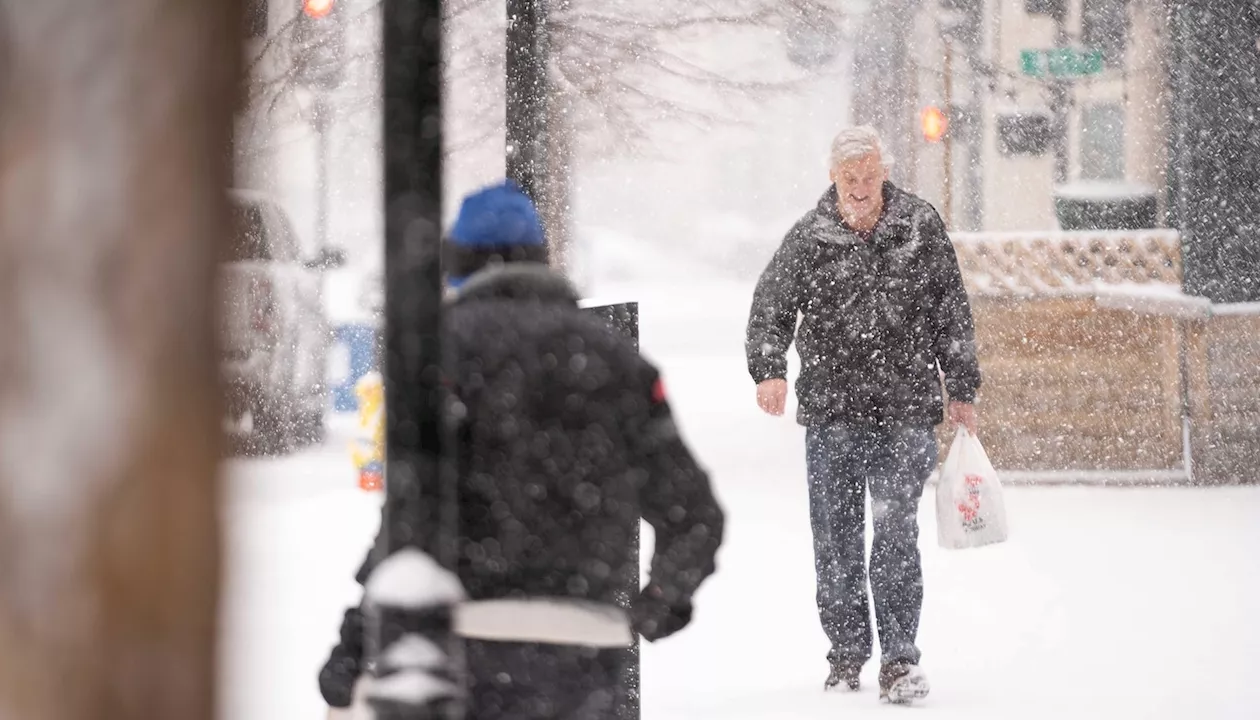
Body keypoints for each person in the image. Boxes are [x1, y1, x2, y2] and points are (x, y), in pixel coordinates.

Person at [320, 179, 725, 719]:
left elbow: (411, 516)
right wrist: (659, 605)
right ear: (541, 258)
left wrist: (354, 645)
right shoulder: (618, 361)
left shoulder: (438, 353)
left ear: (456, 262)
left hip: (466, 646)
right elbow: (693, 513)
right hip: (589, 653)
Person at [745, 125, 981, 704]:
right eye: (849, 177)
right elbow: (770, 306)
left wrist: (962, 384)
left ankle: (899, 661)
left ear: (884, 173)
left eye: (868, 175)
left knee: (896, 532)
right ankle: (847, 655)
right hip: (832, 414)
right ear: (833, 176)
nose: (859, 187)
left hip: (903, 411)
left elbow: (951, 308)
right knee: (836, 538)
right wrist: (769, 368)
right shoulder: (810, 236)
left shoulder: (919, 227)